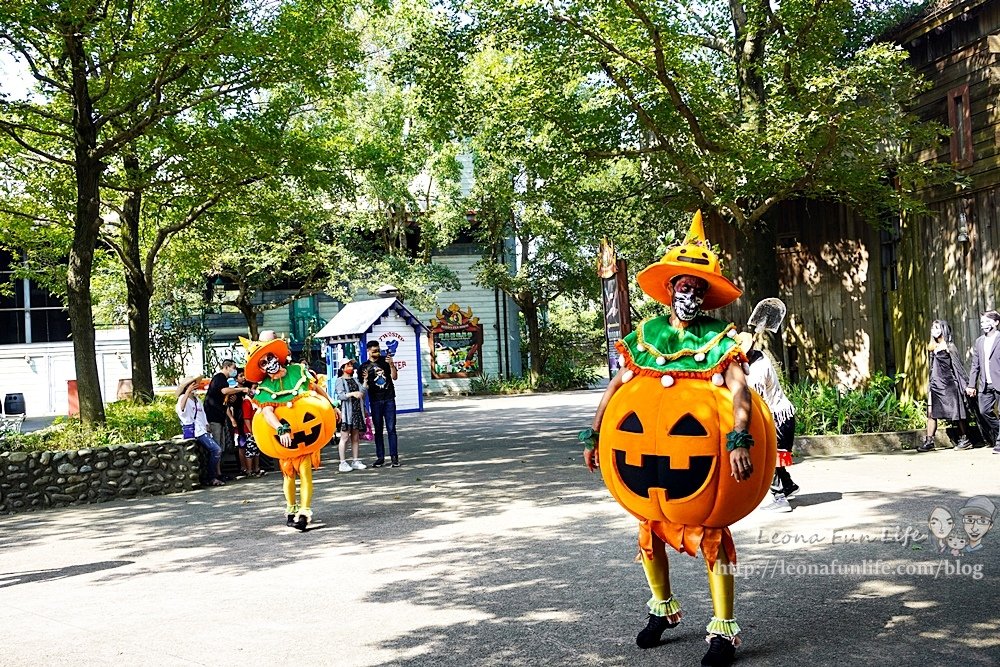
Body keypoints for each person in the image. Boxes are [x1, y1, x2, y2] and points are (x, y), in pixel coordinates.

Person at [581, 211, 773, 667]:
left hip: (702, 464)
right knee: (648, 533)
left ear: (706, 295)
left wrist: (739, 437)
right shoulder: (648, 336)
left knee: (713, 538)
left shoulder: (720, 339)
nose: (690, 294)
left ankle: (724, 631)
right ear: (670, 289)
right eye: (684, 286)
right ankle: (662, 609)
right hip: (647, 464)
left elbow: (739, 389)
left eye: (698, 288)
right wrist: (593, 431)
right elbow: (617, 385)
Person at [242, 334, 336, 530]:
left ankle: (305, 511)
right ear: (260, 369)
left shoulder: (298, 371)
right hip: (284, 440)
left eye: (270, 358)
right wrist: (280, 428)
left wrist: (332, 405)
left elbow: (316, 388)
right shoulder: (265, 388)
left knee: (305, 471)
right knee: (288, 475)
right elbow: (267, 412)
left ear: (276, 356)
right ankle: (291, 508)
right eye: (263, 363)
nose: (269, 364)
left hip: (306, 433)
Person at [736, 332, 799, 512]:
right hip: (784, 415)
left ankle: (779, 499)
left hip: (776, 418)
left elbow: (755, 400)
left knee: (764, 458)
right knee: (774, 457)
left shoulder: (756, 372)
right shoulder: (761, 357)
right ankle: (788, 486)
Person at [919, 319, 971, 452]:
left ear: (943, 329)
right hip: (935, 385)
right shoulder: (932, 348)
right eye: (932, 328)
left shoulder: (950, 347)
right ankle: (929, 440)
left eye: (937, 328)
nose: (934, 331)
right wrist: (930, 385)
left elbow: (958, 368)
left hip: (949, 385)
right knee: (931, 413)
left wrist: (965, 386)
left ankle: (964, 439)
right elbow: (932, 369)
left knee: (957, 413)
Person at [175, 375, 225, 487]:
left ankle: (210, 476)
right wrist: (187, 392)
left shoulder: (197, 400)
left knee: (211, 452)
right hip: (194, 431)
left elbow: (202, 414)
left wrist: (207, 426)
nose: (195, 386)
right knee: (216, 450)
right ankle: (212, 477)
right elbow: (180, 409)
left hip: (203, 430)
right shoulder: (183, 398)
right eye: (192, 384)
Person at [360, 340, 399, 467]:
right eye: (374, 351)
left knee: (391, 428)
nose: (377, 353)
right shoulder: (364, 367)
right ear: (368, 351)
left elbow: (394, 377)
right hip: (375, 400)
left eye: (378, 350)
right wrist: (365, 380)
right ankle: (380, 457)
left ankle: (394, 457)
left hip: (388, 398)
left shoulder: (385, 361)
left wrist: (392, 365)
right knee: (378, 429)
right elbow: (363, 388)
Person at [966, 311, 1000, 453]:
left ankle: (999, 442)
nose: (984, 325)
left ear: (996, 322)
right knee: (984, 410)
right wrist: (971, 384)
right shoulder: (980, 341)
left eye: (987, 322)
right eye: (982, 323)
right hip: (985, 384)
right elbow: (975, 365)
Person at [205, 359, 249, 467]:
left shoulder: (223, 379)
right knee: (216, 446)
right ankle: (215, 474)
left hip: (220, 416)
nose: (234, 371)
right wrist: (242, 389)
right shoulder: (219, 377)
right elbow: (224, 391)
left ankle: (218, 472)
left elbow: (223, 397)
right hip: (214, 416)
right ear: (226, 367)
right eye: (233, 368)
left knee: (220, 445)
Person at [334, 360, 368, 473]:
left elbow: (362, 392)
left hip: (357, 411)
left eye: (351, 365)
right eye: (348, 365)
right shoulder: (339, 380)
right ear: (342, 368)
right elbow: (341, 396)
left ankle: (355, 460)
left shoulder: (355, 379)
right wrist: (352, 394)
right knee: (344, 437)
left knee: (355, 437)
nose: (351, 367)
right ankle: (342, 462)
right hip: (347, 412)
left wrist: (365, 381)